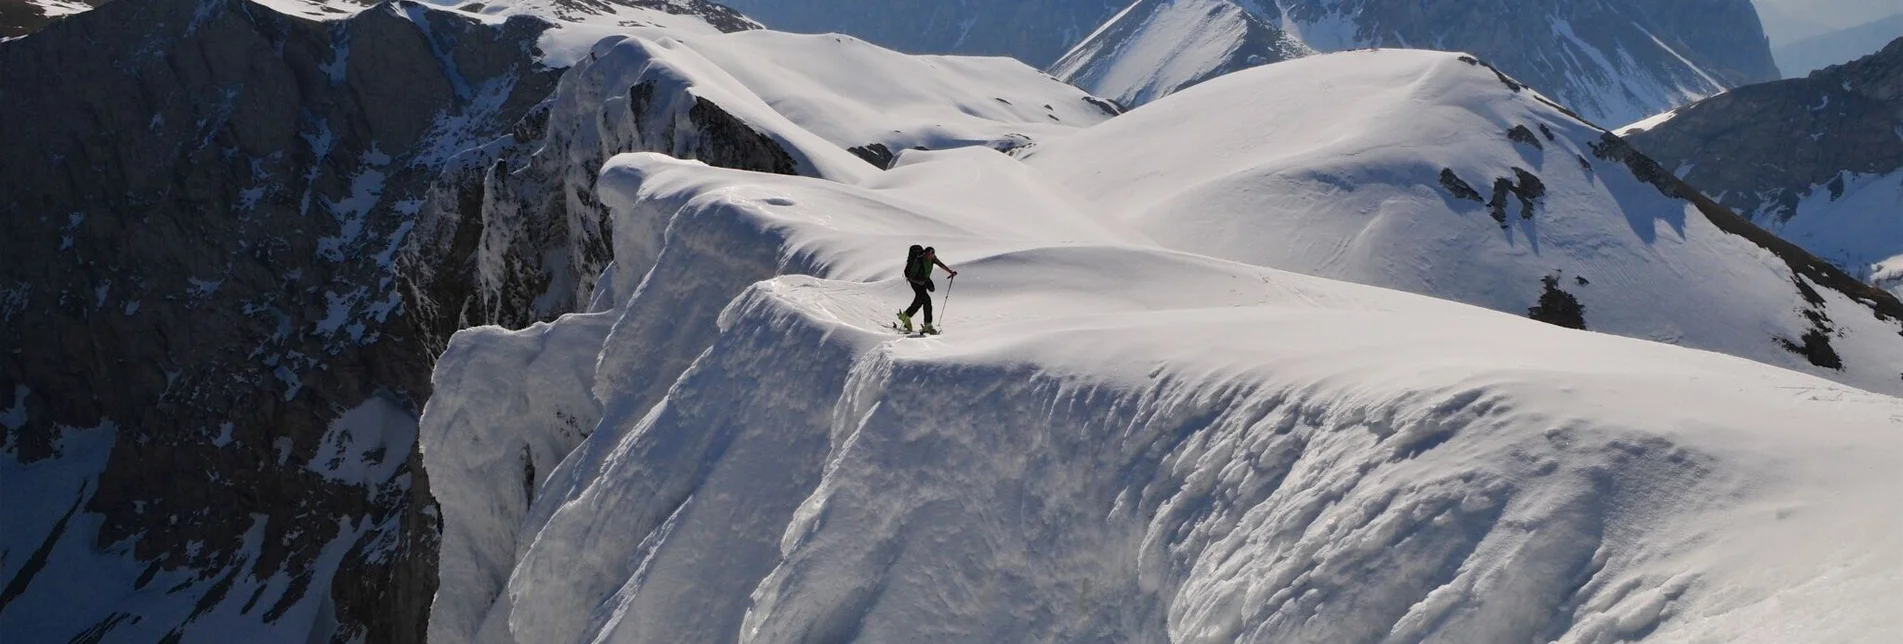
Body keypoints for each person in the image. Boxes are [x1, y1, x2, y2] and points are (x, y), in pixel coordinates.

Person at [898, 244, 956, 334]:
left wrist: (950, 272)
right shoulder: (918, 261)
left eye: (932, 255)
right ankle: (927, 325)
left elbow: (940, 264)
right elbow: (910, 277)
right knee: (926, 300)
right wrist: (919, 282)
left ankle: (906, 315)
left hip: (924, 280)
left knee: (921, 299)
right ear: (925, 254)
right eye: (930, 255)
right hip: (915, 282)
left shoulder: (932, 258)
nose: (932, 256)